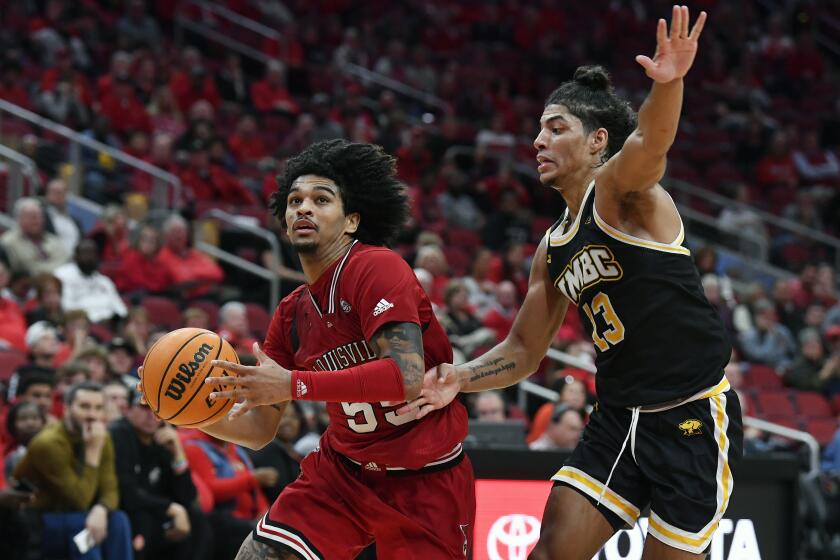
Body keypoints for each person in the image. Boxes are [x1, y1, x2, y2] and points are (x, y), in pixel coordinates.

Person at [403, 8, 742, 559]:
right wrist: (458, 378)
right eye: (538, 128)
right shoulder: (552, 246)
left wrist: (670, 84)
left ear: (596, 141)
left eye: (556, 128)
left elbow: (650, 144)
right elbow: (523, 349)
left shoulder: (624, 193)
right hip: (615, 420)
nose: (538, 140)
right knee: (550, 551)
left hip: (690, 416)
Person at [187, 139, 473, 559]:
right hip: (341, 476)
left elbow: (405, 378)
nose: (303, 208)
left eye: (321, 200)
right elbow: (261, 430)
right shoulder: (290, 314)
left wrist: (294, 385)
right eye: (294, 201)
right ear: (284, 221)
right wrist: (187, 412)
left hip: (425, 480)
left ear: (352, 220)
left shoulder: (375, 266)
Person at [13, 381, 133, 559]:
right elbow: (79, 499)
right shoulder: (48, 443)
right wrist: (92, 454)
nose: (92, 415)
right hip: (38, 521)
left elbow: (111, 488)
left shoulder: (102, 437)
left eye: (98, 408)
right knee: (83, 525)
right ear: (66, 408)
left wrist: (101, 509)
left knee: (118, 520)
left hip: (75, 515)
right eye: (84, 407)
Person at [109, 391, 209, 560]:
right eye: (144, 407)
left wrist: (178, 453)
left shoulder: (162, 440)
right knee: (143, 520)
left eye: (157, 409)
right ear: (127, 410)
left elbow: (187, 495)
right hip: (127, 510)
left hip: (155, 511)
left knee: (197, 519)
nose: (152, 415)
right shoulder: (119, 434)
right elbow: (127, 493)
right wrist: (171, 508)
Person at [54, 239, 129, 324]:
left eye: (93, 253)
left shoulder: (104, 281)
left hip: (109, 323)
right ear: (75, 256)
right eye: (85, 253)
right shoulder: (64, 276)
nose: (90, 257)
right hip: (82, 323)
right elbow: (66, 307)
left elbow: (120, 308)